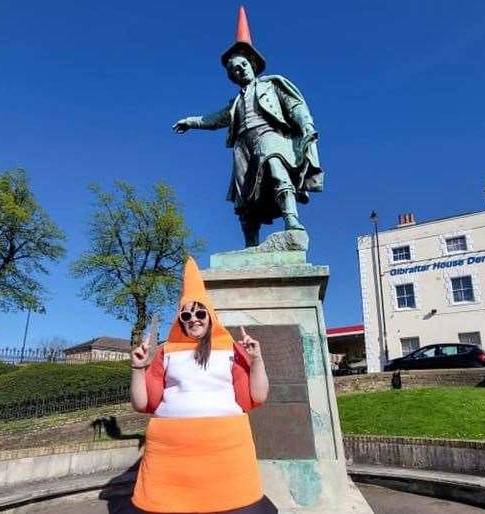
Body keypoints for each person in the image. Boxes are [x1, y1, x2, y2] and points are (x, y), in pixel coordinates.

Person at [129, 257, 276, 513]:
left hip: (225, 456)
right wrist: (137, 368)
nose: (193, 319)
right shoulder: (165, 353)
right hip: (171, 460)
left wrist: (256, 359)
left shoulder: (231, 349)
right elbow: (142, 403)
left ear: (210, 316)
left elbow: (258, 396)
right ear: (180, 319)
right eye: (186, 314)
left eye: (199, 313)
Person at [173, 6, 324, 248]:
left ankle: (291, 220)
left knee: (276, 166)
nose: (239, 70)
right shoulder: (234, 103)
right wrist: (190, 122)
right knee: (243, 196)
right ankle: (250, 243)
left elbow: (295, 106)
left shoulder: (271, 85)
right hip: (242, 145)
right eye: (233, 70)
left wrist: (306, 124)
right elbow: (213, 120)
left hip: (269, 134)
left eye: (242, 65)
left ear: (252, 64)